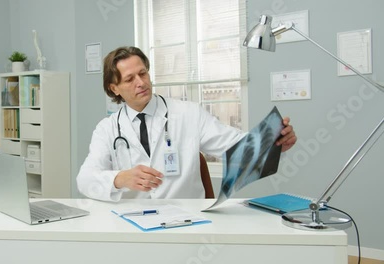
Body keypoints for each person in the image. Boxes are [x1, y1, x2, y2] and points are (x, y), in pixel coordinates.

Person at [76, 46, 297, 202]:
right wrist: (119, 178)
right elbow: (85, 180)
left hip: (186, 222)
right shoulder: (107, 129)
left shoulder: (188, 114)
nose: (141, 82)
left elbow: (237, 145)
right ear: (114, 88)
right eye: (130, 79)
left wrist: (274, 143)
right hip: (132, 224)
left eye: (143, 73)